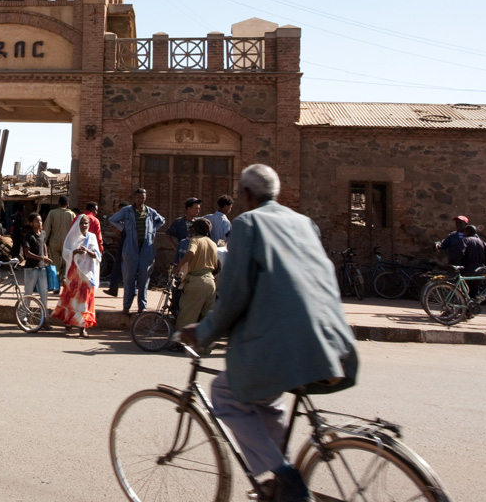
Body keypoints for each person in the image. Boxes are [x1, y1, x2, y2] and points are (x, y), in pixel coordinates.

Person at [180, 164, 358, 502]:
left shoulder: (248, 224)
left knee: (224, 393)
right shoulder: (303, 222)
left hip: (282, 346)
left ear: (247, 194)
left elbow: (234, 294)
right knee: (268, 401)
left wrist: (205, 331)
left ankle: (286, 478)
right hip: (332, 342)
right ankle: (279, 479)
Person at [107, 188, 166, 314]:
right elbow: (112, 219)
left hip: (146, 249)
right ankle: (126, 306)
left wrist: (152, 230)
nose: (141, 200)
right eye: (139, 197)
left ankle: (142, 306)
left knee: (144, 279)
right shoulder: (127, 210)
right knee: (129, 278)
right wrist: (124, 228)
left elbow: (162, 220)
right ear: (135, 197)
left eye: (143, 197)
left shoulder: (150, 211)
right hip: (130, 248)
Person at [173, 217, 219, 350]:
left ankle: (181, 345)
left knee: (187, 315)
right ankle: (206, 346)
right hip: (210, 282)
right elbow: (216, 264)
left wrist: (179, 266)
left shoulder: (195, 240)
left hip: (196, 281)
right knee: (206, 317)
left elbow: (191, 252)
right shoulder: (213, 243)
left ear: (196, 229)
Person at [51, 213, 101, 336]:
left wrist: (87, 251)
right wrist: (75, 252)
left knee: (84, 300)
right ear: (78, 224)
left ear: (89, 224)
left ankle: (82, 328)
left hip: (86, 274)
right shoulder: (72, 237)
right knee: (72, 298)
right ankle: (69, 321)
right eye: (81, 223)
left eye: (86, 223)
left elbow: (97, 255)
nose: (83, 225)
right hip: (74, 273)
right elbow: (65, 252)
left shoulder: (92, 237)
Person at [20, 212, 50, 315]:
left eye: (40, 221)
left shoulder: (43, 233)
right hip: (31, 269)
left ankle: (45, 317)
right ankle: (23, 316)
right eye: (37, 221)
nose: (40, 223)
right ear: (31, 223)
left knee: (44, 294)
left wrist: (46, 255)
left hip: (42, 268)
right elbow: (27, 253)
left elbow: (44, 244)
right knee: (28, 293)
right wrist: (42, 258)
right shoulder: (29, 236)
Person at [44, 197, 75, 283]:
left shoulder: (52, 213)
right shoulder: (72, 214)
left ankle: (55, 282)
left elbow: (47, 228)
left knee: (54, 264)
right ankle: (64, 278)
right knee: (66, 263)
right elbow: (75, 230)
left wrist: (44, 241)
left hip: (54, 242)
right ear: (67, 204)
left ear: (58, 203)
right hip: (67, 243)